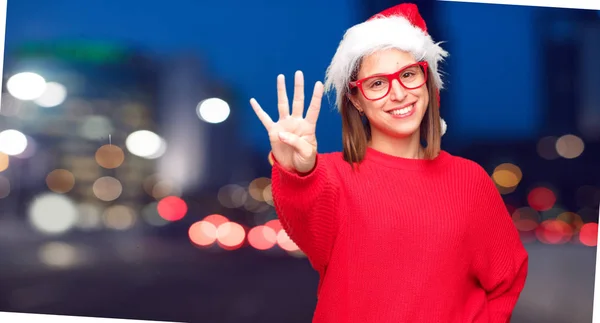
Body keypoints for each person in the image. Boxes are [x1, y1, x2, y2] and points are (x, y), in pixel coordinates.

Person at [250, 3, 528, 323]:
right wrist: (297, 172)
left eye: (408, 75)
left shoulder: (470, 179)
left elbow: (507, 278)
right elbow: (307, 227)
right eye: (378, 83)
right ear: (356, 98)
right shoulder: (328, 175)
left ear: (426, 81)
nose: (398, 94)